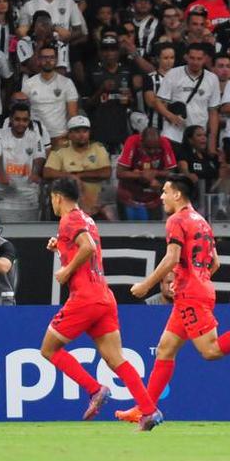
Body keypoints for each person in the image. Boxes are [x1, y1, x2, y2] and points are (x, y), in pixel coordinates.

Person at [120, 174, 230, 424]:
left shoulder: (176, 220)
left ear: (177, 195)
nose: (161, 196)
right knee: (165, 349)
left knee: (211, 351)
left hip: (190, 294)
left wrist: (146, 285)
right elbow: (215, 262)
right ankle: (145, 408)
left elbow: (172, 258)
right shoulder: (202, 221)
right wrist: (198, 278)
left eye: (164, 191)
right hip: (194, 290)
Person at [39, 178, 159, 428]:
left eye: (52, 198)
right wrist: (60, 247)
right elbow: (82, 244)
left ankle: (94, 389)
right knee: (115, 359)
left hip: (85, 298)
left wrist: (65, 270)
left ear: (58, 197)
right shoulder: (86, 219)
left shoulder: (68, 219)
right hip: (104, 296)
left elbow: (88, 247)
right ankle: (149, 410)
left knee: (49, 349)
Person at [43, 116, 112, 218]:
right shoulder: (61, 149)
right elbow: (47, 172)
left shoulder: (98, 148)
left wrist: (77, 175)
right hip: (66, 209)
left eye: (85, 131)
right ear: (69, 134)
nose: (81, 135)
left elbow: (106, 172)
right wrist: (71, 177)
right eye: (77, 131)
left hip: (94, 207)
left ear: (89, 133)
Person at [0, 103, 46, 222]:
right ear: (11, 119)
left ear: (29, 120)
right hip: (3, 197)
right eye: (17, 119)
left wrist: (35, 172)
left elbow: (39, 157)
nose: (21, 123)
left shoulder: (35, 136)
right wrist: (0, 174)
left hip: (28, 197)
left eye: (25, 120)